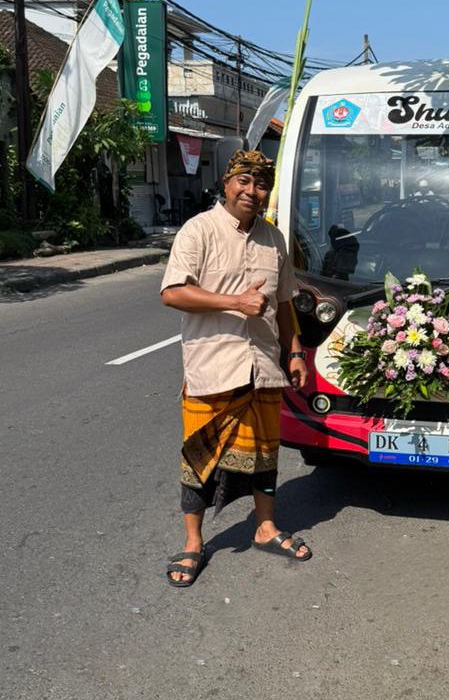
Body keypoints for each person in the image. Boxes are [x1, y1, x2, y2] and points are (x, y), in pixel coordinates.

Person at [160, 149, 311, 587]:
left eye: (261, 183)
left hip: (262, 366)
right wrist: (235, 302)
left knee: (265, 454)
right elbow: (172, 293)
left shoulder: (273, 238)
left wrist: (296, 350)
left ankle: (265, 527)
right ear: (226, 184)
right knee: (200, 458)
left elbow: (283, 303)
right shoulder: (199, 230)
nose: (252, 190)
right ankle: (192, 542)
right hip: (213, 367)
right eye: (243, 181)